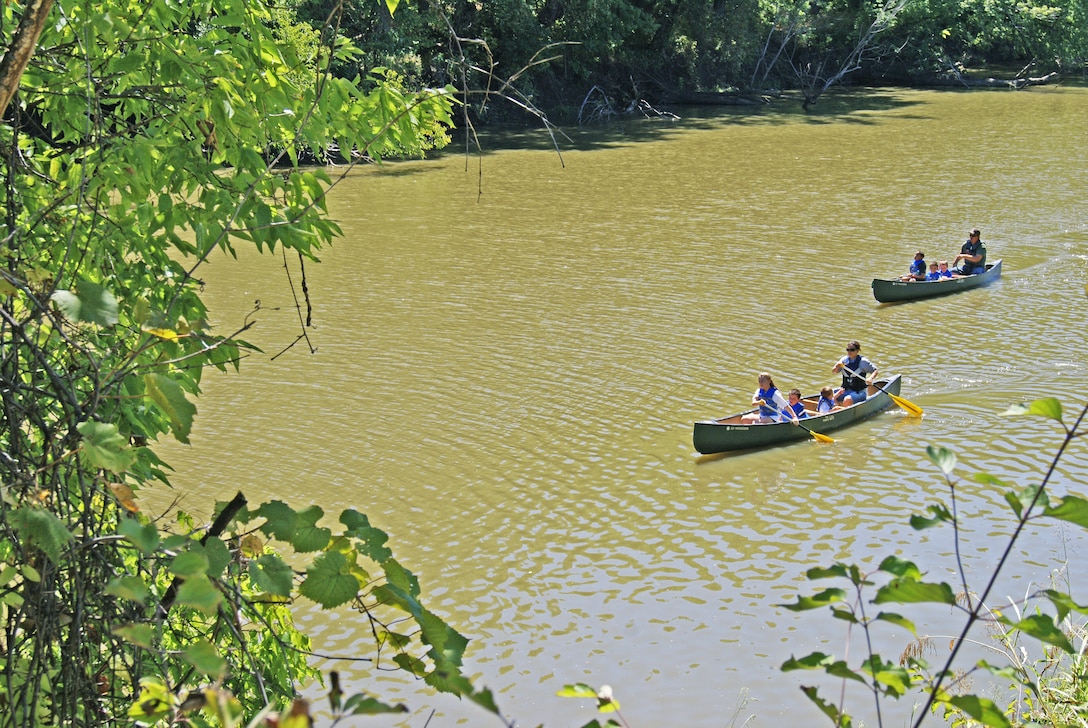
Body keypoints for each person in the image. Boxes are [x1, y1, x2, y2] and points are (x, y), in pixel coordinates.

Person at [832, 341, 878, 406]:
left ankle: (844, 411)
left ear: (857, 351)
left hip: (859, 392)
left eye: (852, 350)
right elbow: (834, 372)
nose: (849, 352)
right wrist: (837, 367)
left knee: (847, 399)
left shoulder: (863, 362)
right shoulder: (844, 360)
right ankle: (835, 409)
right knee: (828, 394)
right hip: (845, 390)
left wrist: (871, 378)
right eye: (848, 350)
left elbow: (875, 370)